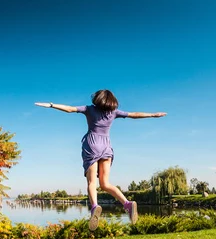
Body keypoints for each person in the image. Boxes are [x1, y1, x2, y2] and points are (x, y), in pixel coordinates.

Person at [35, 90, 167, 230]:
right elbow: (133, 115)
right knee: (105, 183)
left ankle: (94, 207)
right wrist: (153, 115)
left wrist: (51, 105)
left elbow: (69, 109)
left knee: (92, 182)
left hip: (92, 145)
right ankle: (127, 204)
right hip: (106, 148)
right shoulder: (114, 112)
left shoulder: (89, 109)